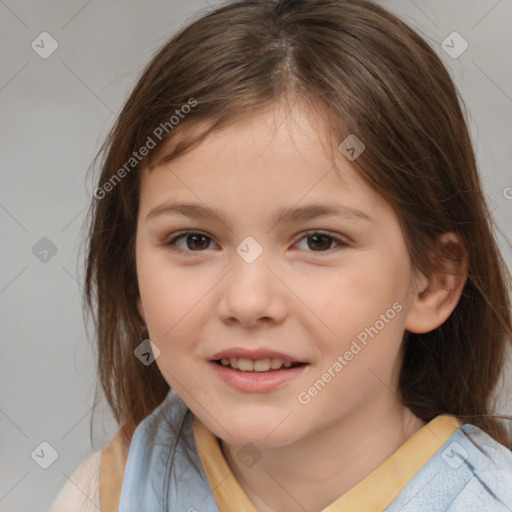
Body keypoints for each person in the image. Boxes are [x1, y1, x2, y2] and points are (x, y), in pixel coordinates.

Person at [50, 0, 512, 510]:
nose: (248, 302)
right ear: (134, 277)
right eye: (194, 240)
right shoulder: (105, 493)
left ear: (432, 282)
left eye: (318, 241)